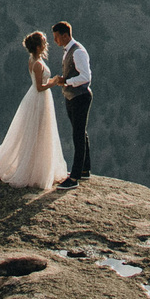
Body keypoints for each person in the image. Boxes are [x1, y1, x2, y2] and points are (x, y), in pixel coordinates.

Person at [0, 29, 66, 191]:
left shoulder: (32, 61)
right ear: (38, 47)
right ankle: (36, 171)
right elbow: (40, 86)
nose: (46, 44)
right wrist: (54, 82)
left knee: (37, 133)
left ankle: (35, 169)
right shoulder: (37, 64)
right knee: (40, 132)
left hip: (37, 99)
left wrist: (52, 81)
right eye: (43, 42)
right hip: (40, 100)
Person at [49, 20, 92, 184]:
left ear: (65, 35)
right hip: (72, 97)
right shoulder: (70, 50)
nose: (55, 41)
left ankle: (74, 177)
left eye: (57, 37)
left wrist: (66, 82)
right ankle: (84, 169)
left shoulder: (78, 52)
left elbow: (86, 77)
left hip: (79, 97)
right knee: (80, 132)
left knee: (78, 135)